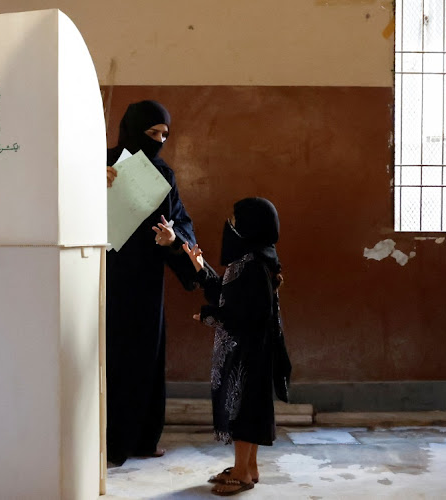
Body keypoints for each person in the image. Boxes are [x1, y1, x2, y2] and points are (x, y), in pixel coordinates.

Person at [105, 100, 198, 466]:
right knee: (107, 356)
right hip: (102, 276)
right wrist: (95, 181)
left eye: (164, 135)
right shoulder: (100, 164)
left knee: (144, 355)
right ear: (133, 129)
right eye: (152, 133)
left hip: (144, 280)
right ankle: (107, 440)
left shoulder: (163, 174)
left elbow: (179, 221)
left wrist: (173, 241)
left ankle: (143, 437)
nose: (159, 141)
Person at [182, 197, 291, 496]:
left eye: (235, 221)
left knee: (244, 413)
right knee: (248, 409)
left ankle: (242, 472)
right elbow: (229, 294)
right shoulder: (251, 260)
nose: (230, 227)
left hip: (248, 354)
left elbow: (244, 313)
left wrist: (208, 315)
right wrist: (200, 268)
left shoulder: (253, 265)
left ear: (250, 227)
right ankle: (249, 467)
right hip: (249, 351)